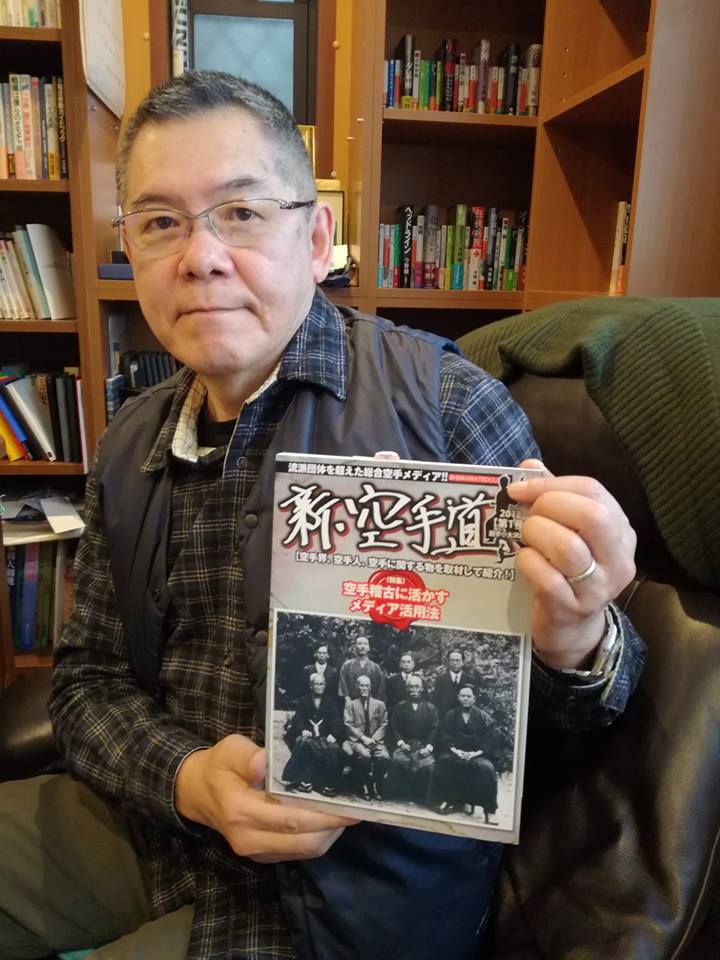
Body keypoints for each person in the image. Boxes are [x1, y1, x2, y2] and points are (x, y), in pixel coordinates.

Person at [0, 70, 644, 960]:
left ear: (315, 239)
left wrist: (577, 638)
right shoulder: (129, 441)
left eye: (242, 212)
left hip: (353, 890)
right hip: (157, 824)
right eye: (160, 223)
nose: (201, 256)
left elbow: (588, 714)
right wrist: (187, 779)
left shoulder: (447, 406)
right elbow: (87, 684)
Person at [429, 685, 499, 823]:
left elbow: (489, 740)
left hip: (477, 754)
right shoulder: (450, 715)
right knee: (443, 762)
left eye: (468, 696)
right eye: (463, 696)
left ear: (474, 699)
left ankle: (489, 811)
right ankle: (447, 800)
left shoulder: (484, 717)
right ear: (458, 698)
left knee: (488, 769)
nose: (465, 699)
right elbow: (445, 736)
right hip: (455, 752)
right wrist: (456, 750)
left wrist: (474, 753)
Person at [282, 673, 343, 797]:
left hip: (324, 735)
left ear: (325, 685)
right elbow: (298, 718)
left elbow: (336, 719)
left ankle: (328, 782)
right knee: (304, 743)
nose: (319, 687)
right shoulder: (304, 701)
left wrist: (334, 734)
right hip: (308, 734)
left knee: (332, 748)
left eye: (322, 684)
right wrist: (303, 729)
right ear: (311, 686)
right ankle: (305, 779)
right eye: (316, 684)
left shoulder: (330, 702)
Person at [384, 675, 439, 803]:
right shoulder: (400, 706)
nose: (414, 689)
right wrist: (401, 743)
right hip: (405, 746)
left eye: (417, 686)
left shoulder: (431, 708)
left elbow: (434, 729)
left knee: (429, 767)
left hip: (422, 746)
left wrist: (428, 748)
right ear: (407, 689)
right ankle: (397, 795)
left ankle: (422, 798)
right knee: (398, 761)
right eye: (411, 687)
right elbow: (395, 727)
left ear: (422, 688)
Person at [341, 675, 391, 801]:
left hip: (375, 741)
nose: (364, 688)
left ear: (370, 688)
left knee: (384, 757)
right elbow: (348, 724)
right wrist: (364, 739)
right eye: (361, 685)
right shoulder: (350, 705)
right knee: (365, 756)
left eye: (367, 685)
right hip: (357, 741)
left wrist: (373, 739)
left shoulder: (380, 704)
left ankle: (377, 784)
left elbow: (384, 724)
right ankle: (364, 785)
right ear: (357, 687)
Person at [337, 634, 386, 703]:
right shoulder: (347, 665)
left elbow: (380, 688)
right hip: (351, 702)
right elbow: (343, 684)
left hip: (371, 703)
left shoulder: (375, 667)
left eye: (365, 644)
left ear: (368, 648)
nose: (362, 646)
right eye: (359, 644)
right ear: (355, 647)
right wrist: (347, 698)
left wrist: (376, 703)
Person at [432, 648, 479, 715]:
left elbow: (475, 701)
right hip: (445, 716)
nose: (454, 663)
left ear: (463, 662)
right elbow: (436, 701)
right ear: (448, 662)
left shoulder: (471, 680)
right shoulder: (440, 680)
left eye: (457, 660)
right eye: (452, 660)